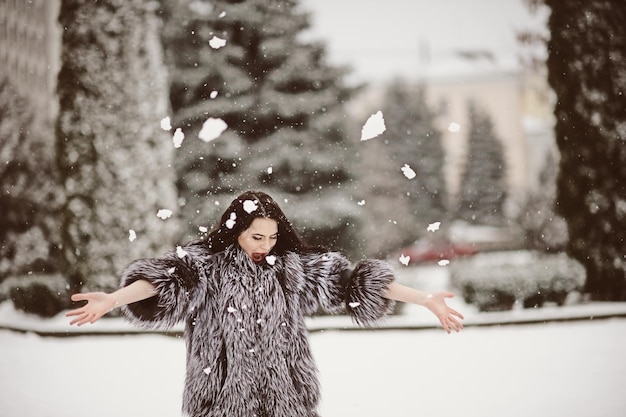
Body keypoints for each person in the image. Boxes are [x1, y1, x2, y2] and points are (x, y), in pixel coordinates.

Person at [66, 190, 463, 417]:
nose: (266, 246)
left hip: (287, 401)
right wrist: (114, 299)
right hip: (221, 402)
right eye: (257, 237)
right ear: (236, 231)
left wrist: (425, 298)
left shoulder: (290, 269)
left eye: (272, 238)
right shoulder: (206, 267)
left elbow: (355, 283)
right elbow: (161, 282)